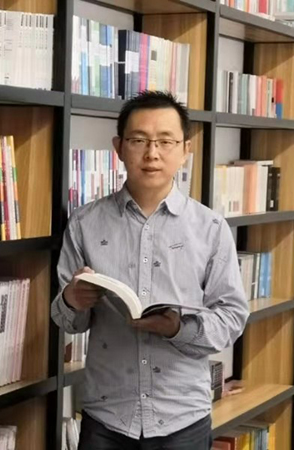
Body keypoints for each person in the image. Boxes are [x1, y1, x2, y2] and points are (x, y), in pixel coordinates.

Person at [51, 90, 249, 450]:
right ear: (119, 147)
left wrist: (178, 328)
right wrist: (72, 299)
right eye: (139, 140)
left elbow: (232, 317)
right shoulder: (85, 223)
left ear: (186, 149)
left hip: (182, 417)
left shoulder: (210, 228)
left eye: (165, 141)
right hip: (106, 416)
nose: (152, 153)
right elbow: (68, 322)